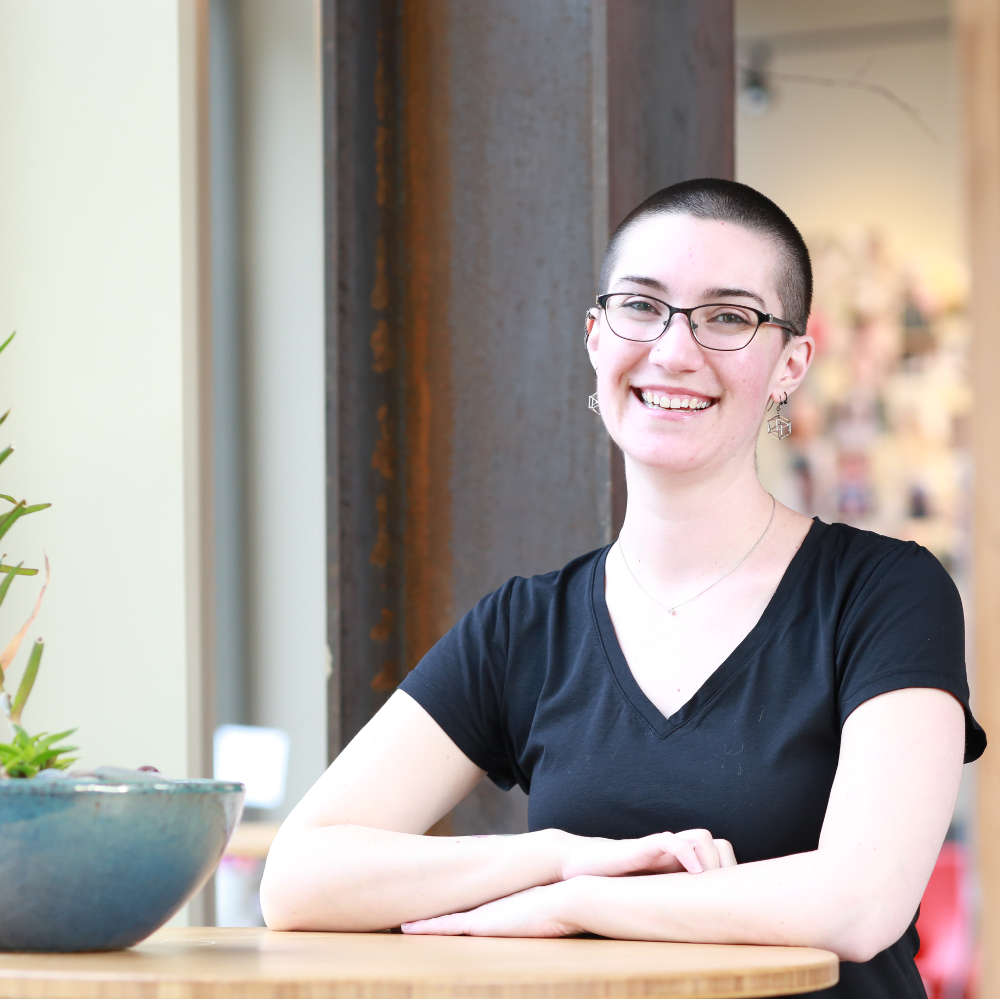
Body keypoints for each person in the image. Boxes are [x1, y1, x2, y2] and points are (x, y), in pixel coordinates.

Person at [260, 179, 985, 999]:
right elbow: (298, 877)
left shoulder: (884, 593)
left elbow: (860, 901)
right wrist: (555, 856)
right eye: (642, 306)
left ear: (790, 365)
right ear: (596, 337)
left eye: (728, 317)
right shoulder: (525, 627)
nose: (674, 351)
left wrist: (578, 902)